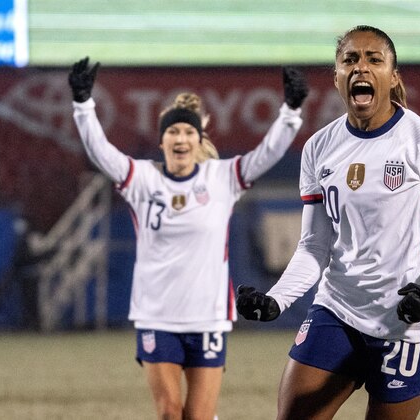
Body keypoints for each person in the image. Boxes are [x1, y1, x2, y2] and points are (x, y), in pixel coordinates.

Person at [236, 25, 420, 420]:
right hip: (338, 310)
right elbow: (314, 246)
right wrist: (277, 299)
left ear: (393, 76)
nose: (361, 67)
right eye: (350, 60)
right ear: (337, 77)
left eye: (374, 59)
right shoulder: (319, 148)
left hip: (406, 324)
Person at [68, 57, 308, 420]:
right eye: (173, 132)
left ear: (199, 140)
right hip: (156, 316)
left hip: (208, 317)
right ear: (162, 140)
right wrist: (83, 104)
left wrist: (290, 111)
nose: (181, 138)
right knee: (168, 412)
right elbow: (101, 152)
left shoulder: (222, 177)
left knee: (197, 416)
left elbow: (268, 153)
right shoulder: (141, 179)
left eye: (188, 133)